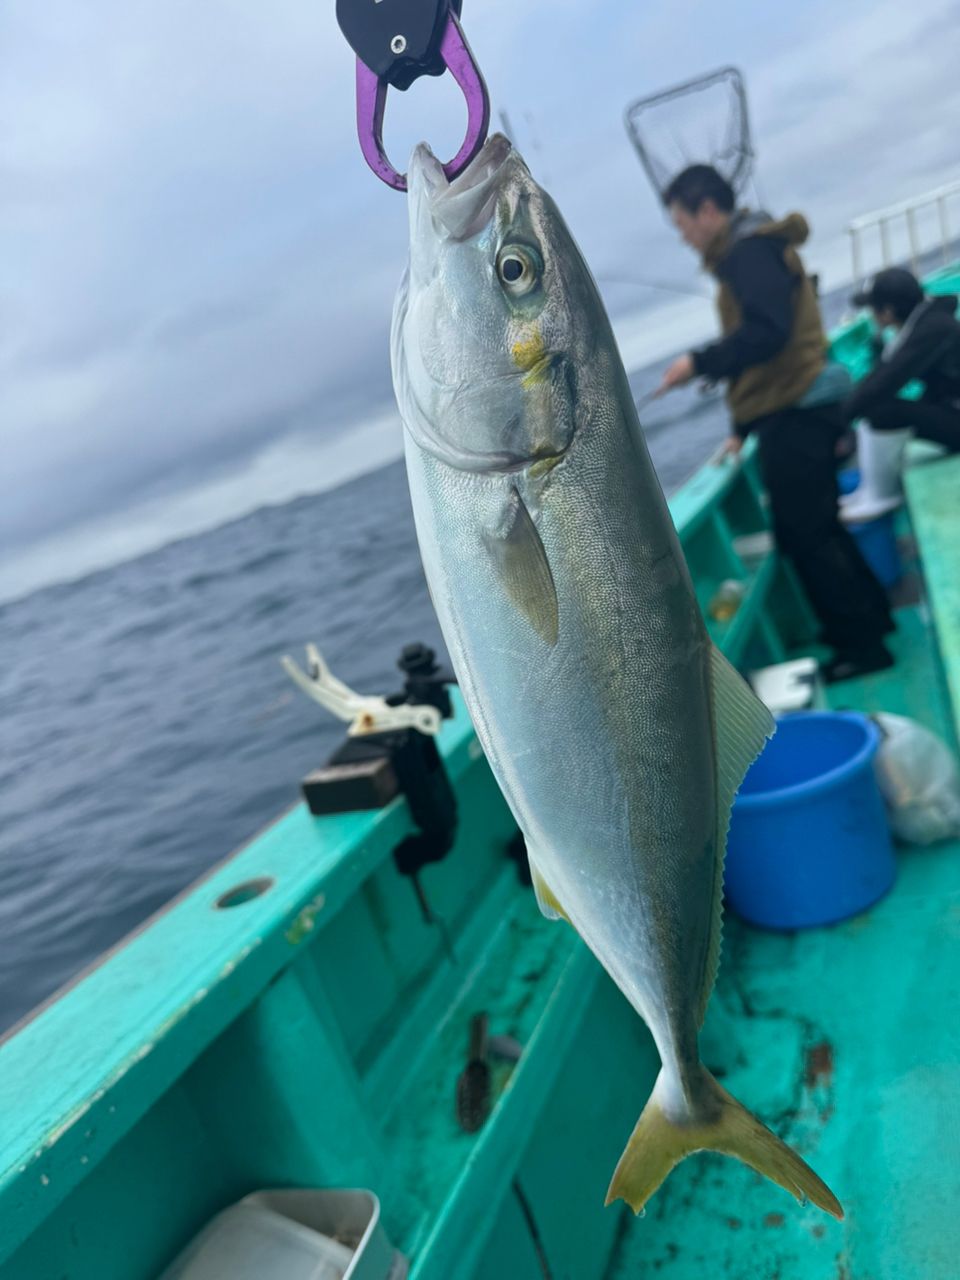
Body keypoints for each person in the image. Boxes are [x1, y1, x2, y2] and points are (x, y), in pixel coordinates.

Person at [655, 164, 894, 684]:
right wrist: (741, 425)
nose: (684, 236)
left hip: (799, 408)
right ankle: (871, 620)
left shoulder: (747, 252)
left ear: (708, 211)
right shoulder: (749, 249)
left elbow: (767, 335)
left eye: (683, 223)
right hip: (796, 407)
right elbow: (761, 352)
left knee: (806, 533)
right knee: (819, 526)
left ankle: (864, 646)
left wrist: (699, 361)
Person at [844, 267, 960, 449]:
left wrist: (838, 420)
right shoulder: (929, 320)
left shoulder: (932, 330)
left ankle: (879, 478)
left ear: (888, 312)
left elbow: (887, 380)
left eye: (872, 309)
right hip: (950, 401)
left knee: (880, 410)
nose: (871, 315)